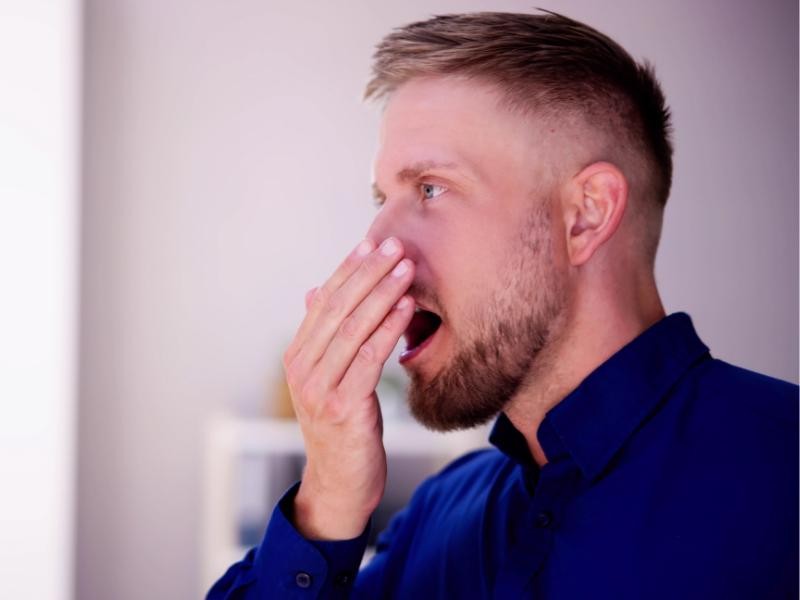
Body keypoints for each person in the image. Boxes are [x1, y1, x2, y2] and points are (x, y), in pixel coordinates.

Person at [208, 10, 798, 599]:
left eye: (431, 188)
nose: (376, 245)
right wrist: (327, 501)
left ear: (585, 215)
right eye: (382, 199)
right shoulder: (436, 514)